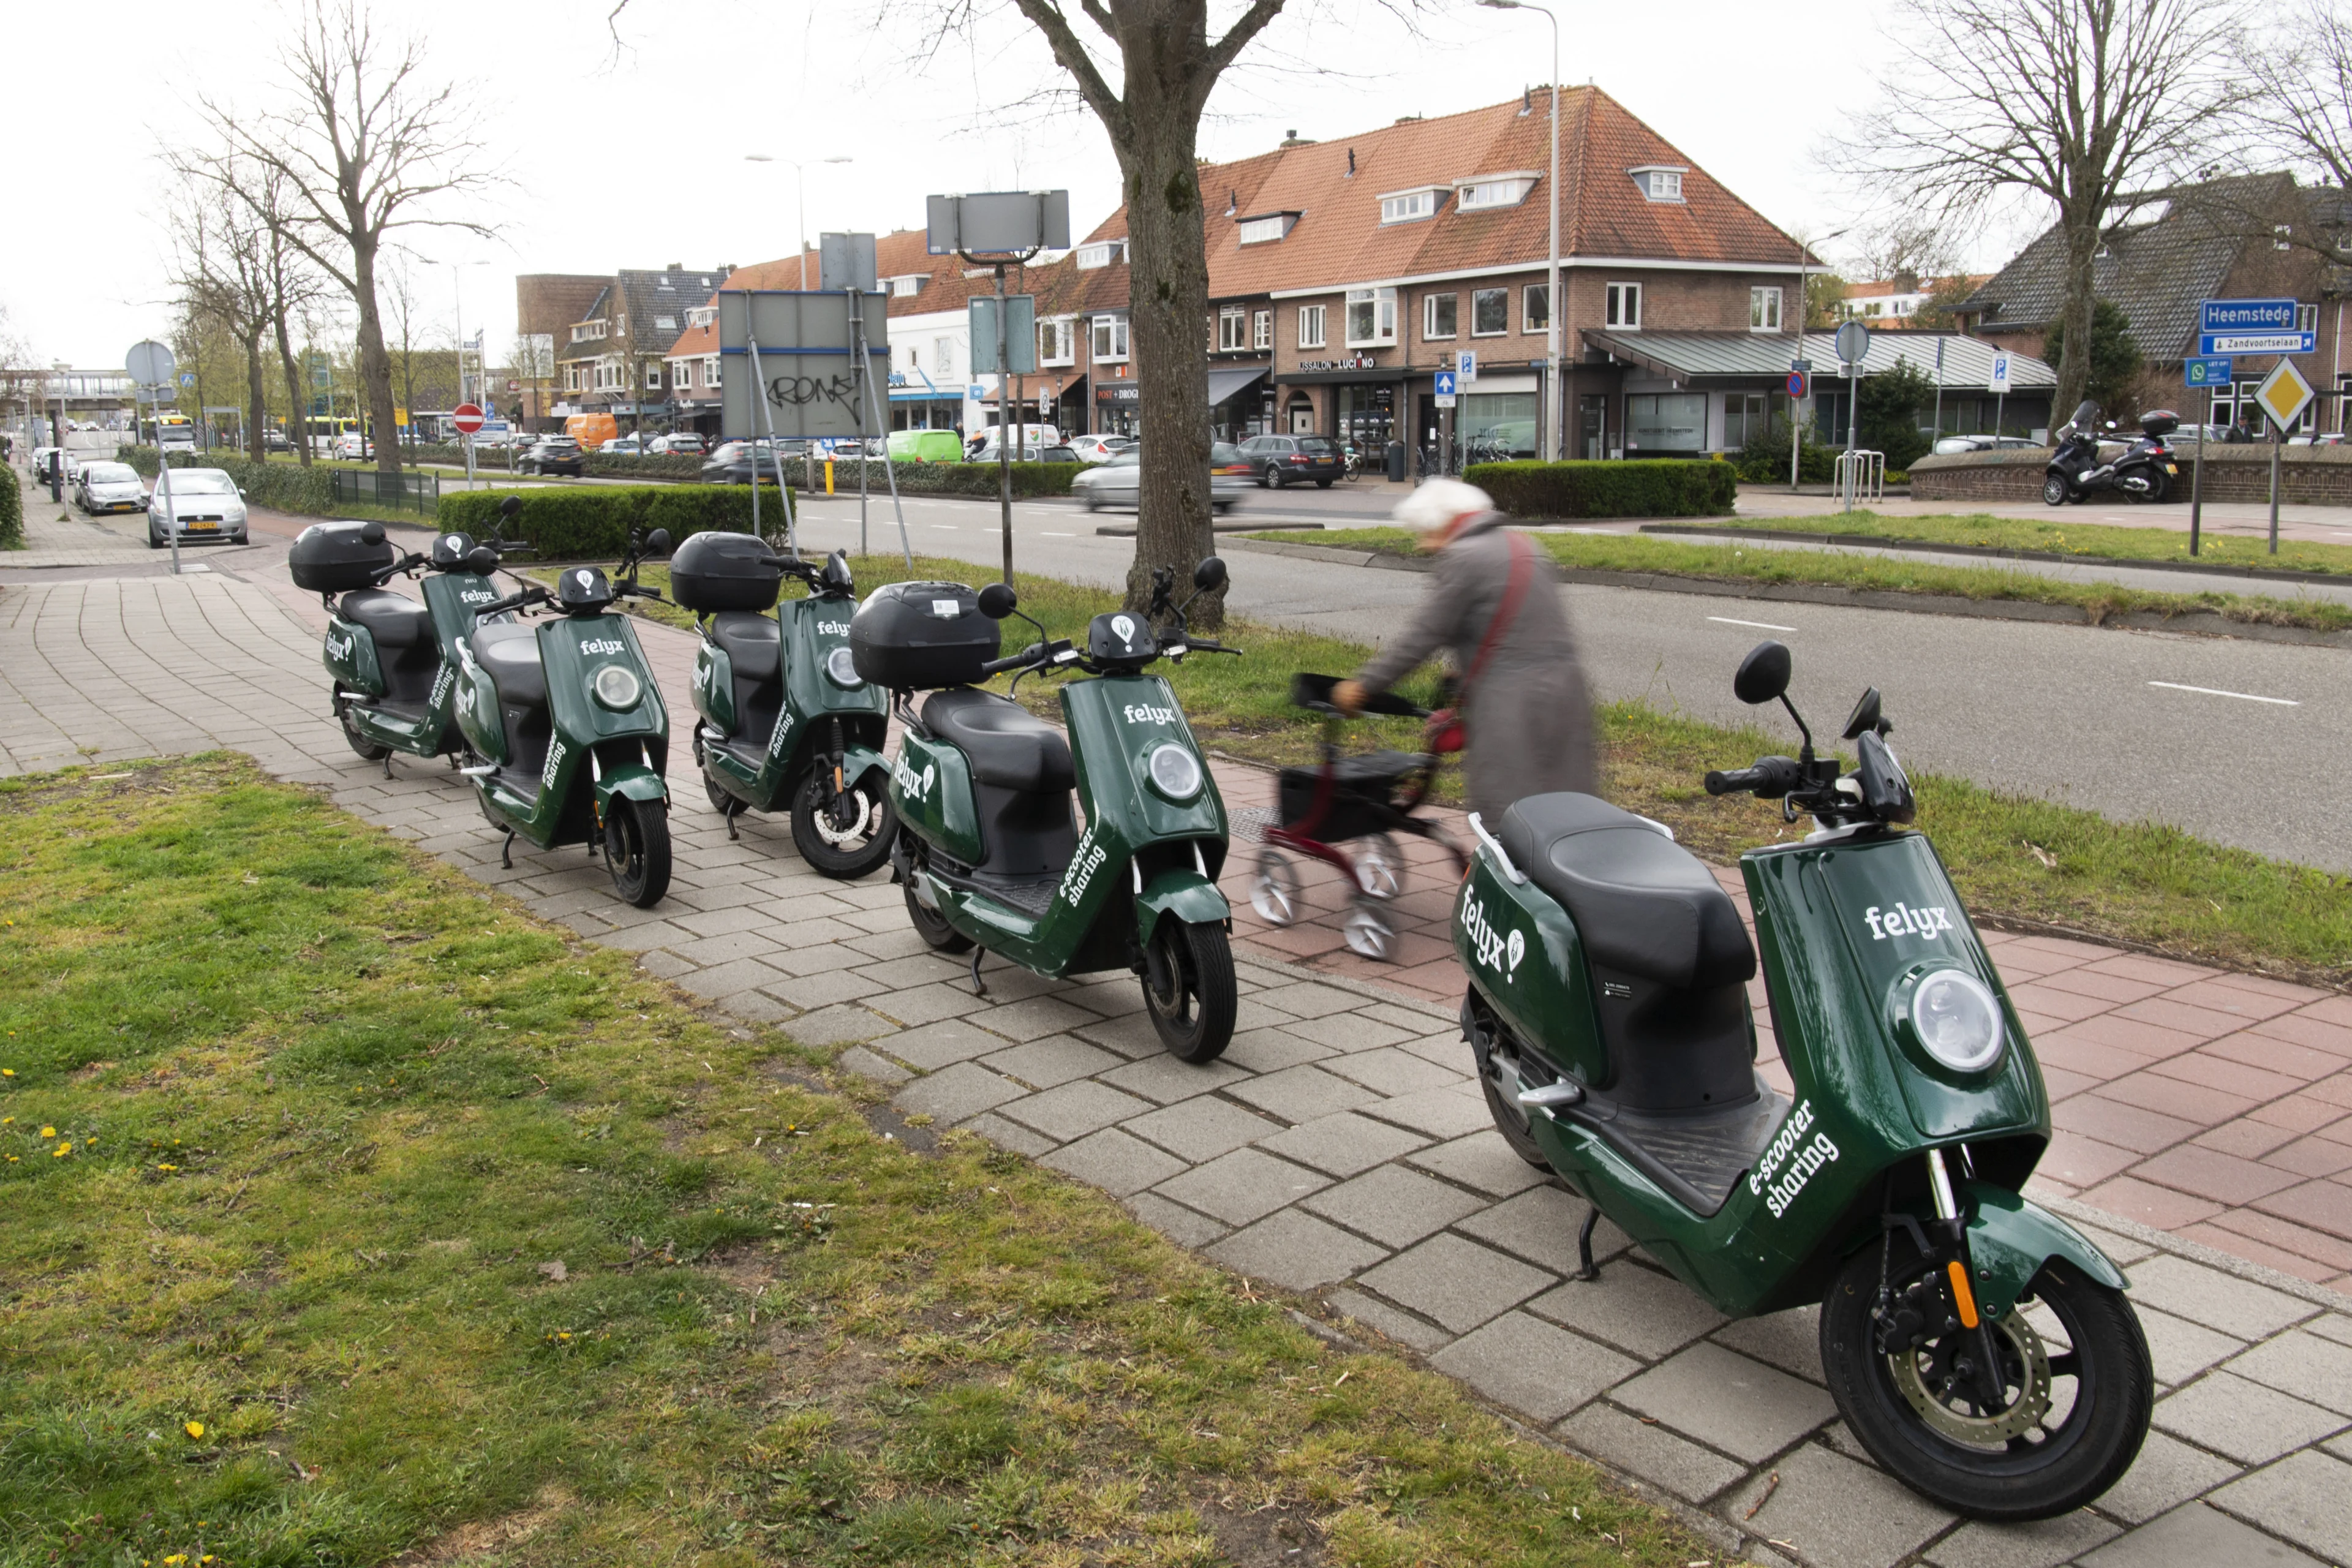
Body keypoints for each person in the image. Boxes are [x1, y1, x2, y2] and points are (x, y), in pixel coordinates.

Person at [1332, 478, 1597, 821]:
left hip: (1512, 707)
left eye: (1425, 532)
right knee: (1569, 810)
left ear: (1445, 523)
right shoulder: (1526, 545)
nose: (1423, 545)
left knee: (1511, 819)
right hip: (1568, 697)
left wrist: (1363, 687)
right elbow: (1520, 627)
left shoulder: (1464, 557)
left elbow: (1422, 637)